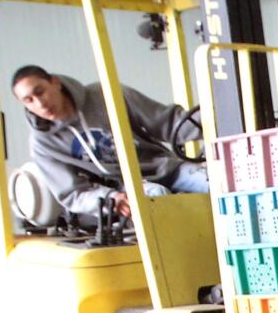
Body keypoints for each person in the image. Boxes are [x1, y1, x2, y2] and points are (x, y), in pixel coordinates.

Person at [11, 64, 208, 219]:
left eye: (40, 92)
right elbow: (72, 193)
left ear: (55, 83)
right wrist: (110, 198)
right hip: (123, 188)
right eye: (29, 100)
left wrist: (213, 120)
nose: (40, 103)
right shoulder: (42, 144)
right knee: (158, 198)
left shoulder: (107, 96)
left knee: (217, 183)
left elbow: (167, 123)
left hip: (164, 167)